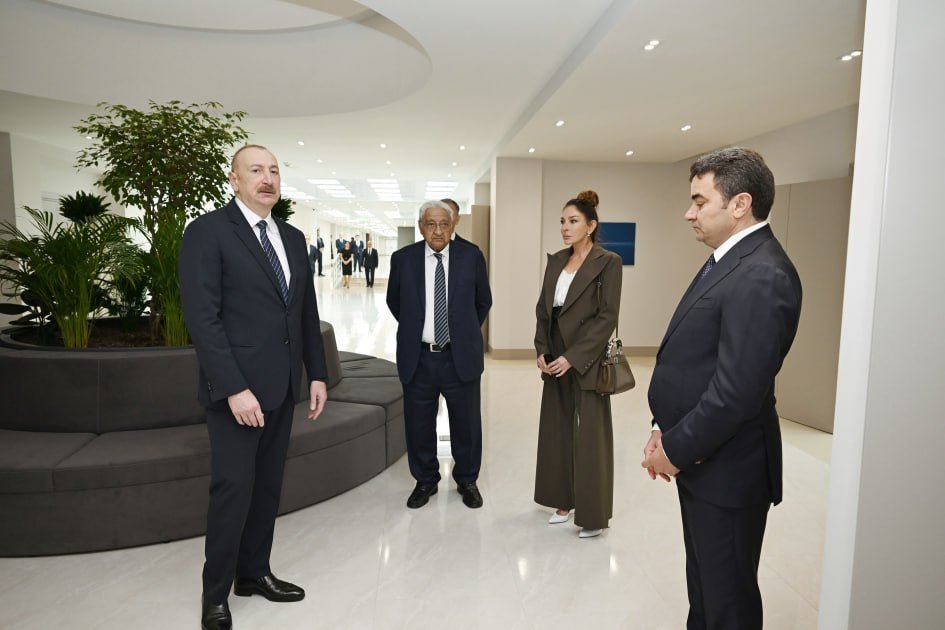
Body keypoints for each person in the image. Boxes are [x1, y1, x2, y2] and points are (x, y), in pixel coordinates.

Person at [642, 147, 802, 630]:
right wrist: (663, 428)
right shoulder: (728, 260)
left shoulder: (763, 273)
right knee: (707, 592)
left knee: (727, 601)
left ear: (740, 204)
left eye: (699, 201)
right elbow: (696, 361)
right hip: (704, 460)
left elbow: (736, 393)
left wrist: (676, 450)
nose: (689, 213)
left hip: (729, 471)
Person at [178, 144, 329, 630]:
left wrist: (317, 372)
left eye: (274, 171)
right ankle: (215, 594)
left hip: (283, 386)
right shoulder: (207, 232)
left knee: (267, 488)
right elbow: (203, 319)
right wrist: (233, 388)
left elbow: (303, 311)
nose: (268, 179)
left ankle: (254, 573)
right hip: (237, 393)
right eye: (256, 170)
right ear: (234, 180)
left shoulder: (292, 236)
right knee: (233, 490)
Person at [386, 200, 492, 509]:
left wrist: (461, 332)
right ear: (421, 227)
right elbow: (395, 302)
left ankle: (467, 480)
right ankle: (425, 480)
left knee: (466, 424)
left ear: (453, 226)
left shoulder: (471, 257)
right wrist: (419, 329)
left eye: (444, 224)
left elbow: (482, 302)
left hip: (460, 357)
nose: (437, 230)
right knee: (418, 424)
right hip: (418, 358)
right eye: (431, 224)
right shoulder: (403, 259)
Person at [533, 190, 621, 539]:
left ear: (591, 225)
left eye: (573, 221)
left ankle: (593, 515)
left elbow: (607, 316)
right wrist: (542, 349)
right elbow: (544, 310)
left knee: (591, 437)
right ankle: (562, 502)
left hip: (587, 358)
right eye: (562, 222)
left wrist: (573, 357)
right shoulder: (556, 260)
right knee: (556, 430)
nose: (565, 228)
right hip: (555, 356)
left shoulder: (608, 262)